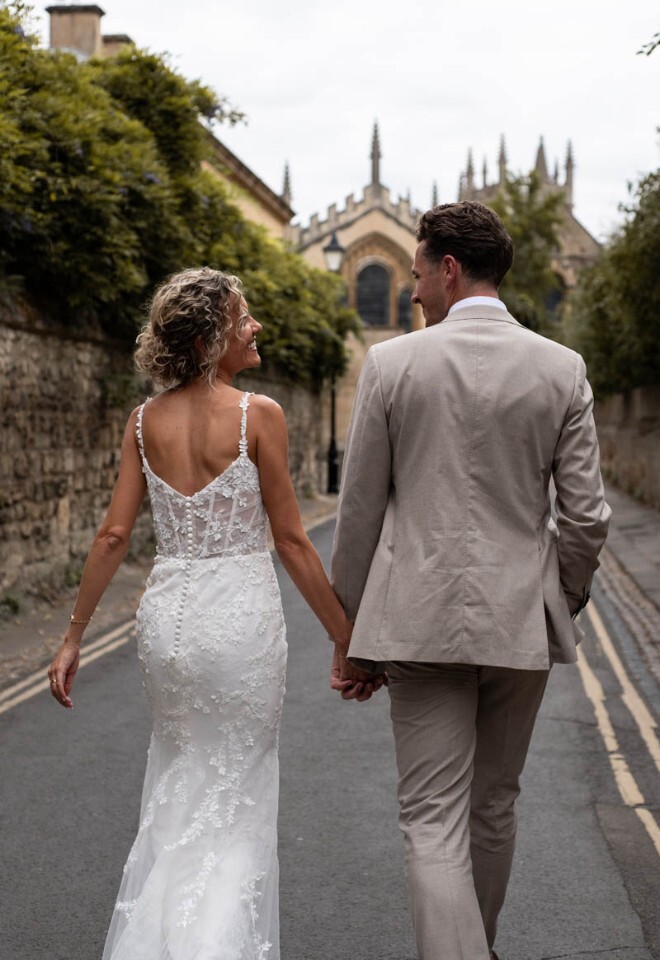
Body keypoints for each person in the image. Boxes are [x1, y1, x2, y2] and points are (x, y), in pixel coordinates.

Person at [47, 267, 379, 960]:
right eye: (244, 318)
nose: (256, 326)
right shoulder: (259, 414)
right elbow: (291, 540)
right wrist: (347, 638)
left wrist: (72, 636)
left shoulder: (142, 422)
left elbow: (112, 535)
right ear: (208, 338)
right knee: (235, 798)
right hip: (240, 623)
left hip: (167, 620)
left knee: (179, 781)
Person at [330, 201, 611, 960]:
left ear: (448, 270)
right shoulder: (562, 368)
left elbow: (357, 516)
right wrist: (563, 599)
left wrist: (348, 636)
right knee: (492, 806)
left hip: (415, 622)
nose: (414, 290)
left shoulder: (391, 365)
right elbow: (586, 519)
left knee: (430, 817)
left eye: (418, 273)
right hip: (519, 618)